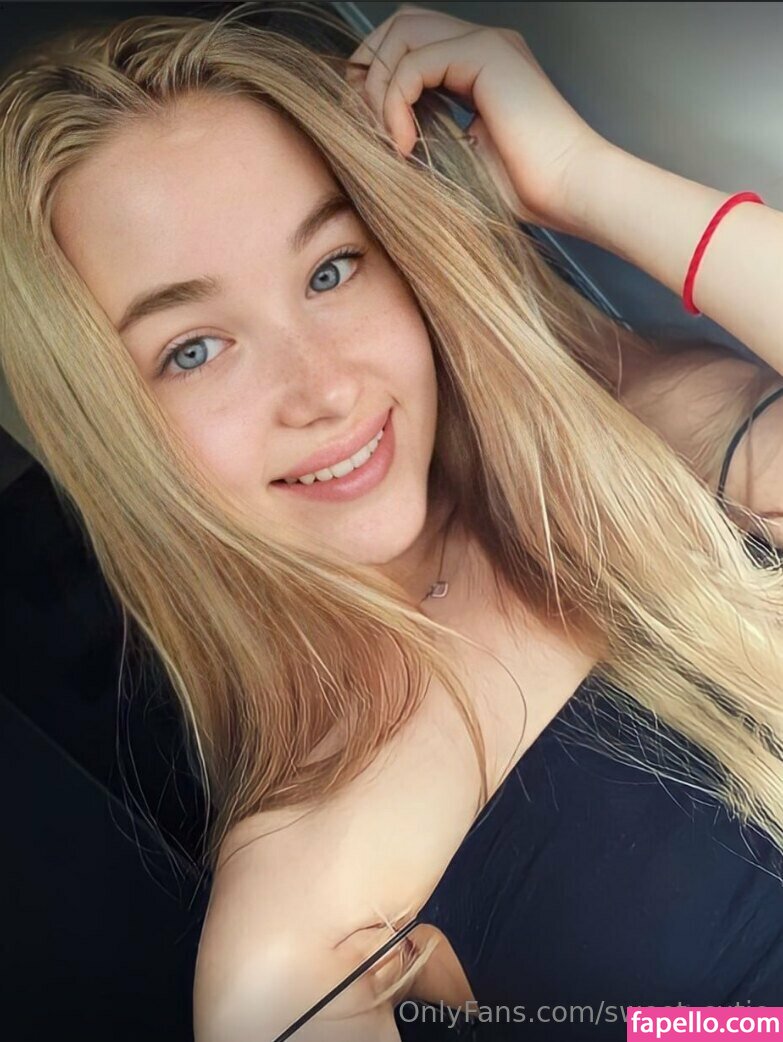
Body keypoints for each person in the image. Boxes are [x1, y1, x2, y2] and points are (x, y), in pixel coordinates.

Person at [0, 3, 782, 1040]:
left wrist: (580, 178)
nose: (323, 389)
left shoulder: (657, 443)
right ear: (111, 434)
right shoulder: (293, 947)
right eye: (193, 349)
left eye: (330, 269)